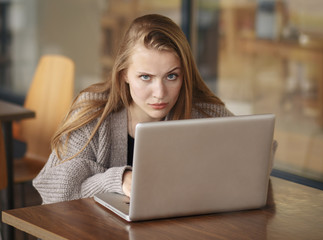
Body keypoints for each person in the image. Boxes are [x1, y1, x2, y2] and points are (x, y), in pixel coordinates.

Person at [33, 14, 234, 204]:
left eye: (171, 76)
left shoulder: (204, 113)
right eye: (145, 77)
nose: (160, 93)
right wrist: (118, 180)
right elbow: (52, 189)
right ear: (124, 75)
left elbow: (253, 160)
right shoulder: (93, 113)